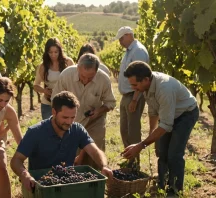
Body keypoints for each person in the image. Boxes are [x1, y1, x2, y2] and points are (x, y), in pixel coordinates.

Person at [121, 61, 199, 196]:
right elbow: (153, 112)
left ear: (145, 79)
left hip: (186, 113)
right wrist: (152, 133)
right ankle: (162, 184)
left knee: (174, 153)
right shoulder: (146, 87)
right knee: (162, 151)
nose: (133, 88)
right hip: (170, 114)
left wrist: (142, 144)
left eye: (135, 84)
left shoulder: (164, 89)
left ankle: (174, 189)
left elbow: (166, 125)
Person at [11, 91, 113, 191]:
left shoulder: (77, 129)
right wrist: (24, 175)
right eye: (65, 117)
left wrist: (104, 166)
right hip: (42, 186)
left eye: (72, 117)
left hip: (67, 182)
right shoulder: (35, 132)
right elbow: (16, 160)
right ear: (54, 112)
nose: (69, 122)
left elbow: (94, 151)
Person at [51, 53, 116, 170]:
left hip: (94, 121)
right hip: (71, 121)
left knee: (94, 152)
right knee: (70, 155)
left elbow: (110, 102)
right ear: (78, 68)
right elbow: (55, 100)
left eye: (90, 77)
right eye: (83, 76)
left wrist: (99, 111)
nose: (86, 79)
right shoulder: (66, 75)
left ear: (96, 71)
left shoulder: (104, 79)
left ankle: (96, 179)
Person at [115, 26, 149, 167]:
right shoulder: (129, 51)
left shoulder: (138, 51)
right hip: (126, 95)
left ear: (129, 35)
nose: (120, 42)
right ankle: (129, 158)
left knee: (133, 130)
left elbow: (141, 78)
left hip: (134, 95)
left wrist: (135, 99)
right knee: (124, 129)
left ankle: (134, 162)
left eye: (121, 38)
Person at [33, 37, 75, 120]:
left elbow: (75, 80)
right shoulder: (43, 67)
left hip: (66, 103)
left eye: (56, 52)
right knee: (49, 131)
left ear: (60, 51)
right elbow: (35, 85)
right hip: (48, 104)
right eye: (50, 52)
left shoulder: (68, 62)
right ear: (47, 52)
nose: (53, 55)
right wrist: (44, 91)